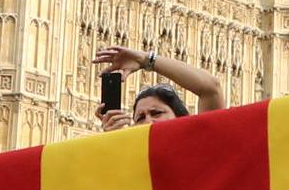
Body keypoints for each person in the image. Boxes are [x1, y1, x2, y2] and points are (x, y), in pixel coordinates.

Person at [94, 45, 225, 129]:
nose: (148, 121)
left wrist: (146, 60)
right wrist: (115, 141)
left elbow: (211, 89)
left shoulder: (199, 147)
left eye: (156, 113)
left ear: (181, 119)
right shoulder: (135, 159)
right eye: (140, 118)